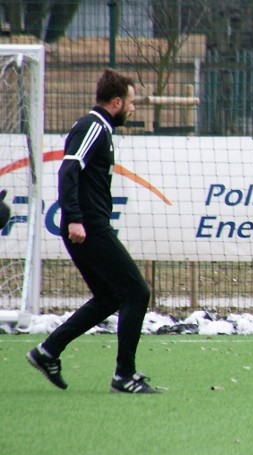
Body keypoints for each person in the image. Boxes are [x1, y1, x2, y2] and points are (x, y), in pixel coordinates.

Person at [26, 69, 159, 394]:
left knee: (109, 298)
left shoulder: (100, 129)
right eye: (130, 102)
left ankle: (48, 351)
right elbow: (69, 168)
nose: (133, 108)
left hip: (88, 224)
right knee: (137, 292)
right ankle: (124, 376)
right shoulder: (93, 127)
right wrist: (74, 218)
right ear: (116, 102)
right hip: (88, 226)